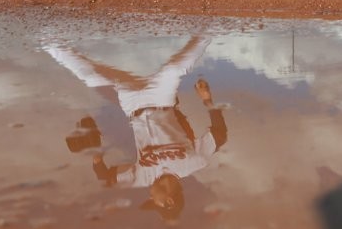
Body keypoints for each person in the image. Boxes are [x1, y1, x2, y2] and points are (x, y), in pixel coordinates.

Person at [45, 36, 227, 222]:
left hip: (131, 102)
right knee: (175, 68)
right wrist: (207, 99)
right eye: (154, 202)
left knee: (91, 76)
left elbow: (106, 178)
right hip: (161, 97)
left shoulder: (141, 178)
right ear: (169, 201)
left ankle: (47, 41)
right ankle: (211, 28)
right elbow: (219, 136)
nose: (150, 198)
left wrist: (96, 156)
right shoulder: (194, 163)